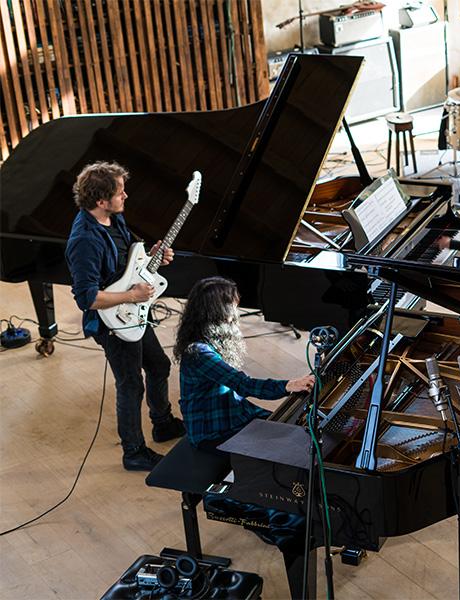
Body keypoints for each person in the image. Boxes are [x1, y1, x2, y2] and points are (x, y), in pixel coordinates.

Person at [66, 161, 185, 471]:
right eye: (120, 192)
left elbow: (130, 256)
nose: (126, 196)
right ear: (101, 200)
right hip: (111, 322)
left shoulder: (113, 219)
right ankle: (133, 452)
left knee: (158, 365)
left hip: (133, 310)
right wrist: (132, 296)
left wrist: (156, 254)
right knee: (131, 384)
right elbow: (87, 298)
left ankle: (162, 424)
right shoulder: (84, 241)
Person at [173, 277, 315, 452]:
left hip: (232, 414)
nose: (236, 314)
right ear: (218, 311)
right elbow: (244, 385)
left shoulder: (210, 339)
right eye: (233, 307)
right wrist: (289, 385)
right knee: (295, 443)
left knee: (296, 426)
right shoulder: (199, 353)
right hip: (213, 432)